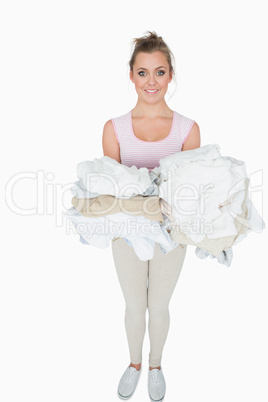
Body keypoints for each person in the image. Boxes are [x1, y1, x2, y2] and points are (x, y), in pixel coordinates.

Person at [102, 31, 200, 401]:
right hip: (126, 232)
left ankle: (155, 365)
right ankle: (134, 364)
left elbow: (190, 192)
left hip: (171, 233)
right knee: (133, 305)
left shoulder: (187, 129)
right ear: (131, 76)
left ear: (170, 75)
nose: (151, 82)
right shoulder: (114, 129)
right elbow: (110, 192)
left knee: (158, 306)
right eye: (143, 73)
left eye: (159, 72)